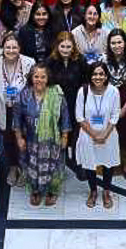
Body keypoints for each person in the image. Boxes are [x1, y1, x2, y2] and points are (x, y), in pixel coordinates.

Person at [14, 64, 70, 206]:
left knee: (53, 166)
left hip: (52, 141)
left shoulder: (56, 93)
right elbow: (17, 118)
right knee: (32, 167)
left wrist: (65, 137)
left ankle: (52, 191)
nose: (39, 80)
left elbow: (65, 117)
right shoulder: (24, 94)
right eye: (36, 76)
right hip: (31, 139)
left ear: (48, 78)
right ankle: (36, 191)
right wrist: (19, 138)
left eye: (43, 77)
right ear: (31, 78)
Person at [0, 32, 35, 185]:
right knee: (8, 141)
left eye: (14, 47)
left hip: (24, 111)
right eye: (8, 47)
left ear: (19, 48)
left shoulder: (29, 63)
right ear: (2, 48)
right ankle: (13, 167)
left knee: (24, 139)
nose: (11, 50)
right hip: (3, 109)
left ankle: (24, 168)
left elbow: (34, 87)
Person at [73, 63, 120, 209]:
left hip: (109, 134)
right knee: (90, 164)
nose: (98, 77)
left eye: (101, 74)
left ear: (106, 76)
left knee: (108, 164)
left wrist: (105, 134)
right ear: (90, 75)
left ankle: (106, 191)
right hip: (88, 135)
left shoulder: (113, 91)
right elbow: (79, 116)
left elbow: (115, 114)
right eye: (94, 74)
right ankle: (93, 191)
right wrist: (94, 134)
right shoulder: (83, 91)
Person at [102, 29, 126, 177]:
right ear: (108, 44)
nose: (117, 45)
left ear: (125, 43)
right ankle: (111, 162)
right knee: (110, 132)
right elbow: (100, 83)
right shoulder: (104, 60)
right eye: (113, 43)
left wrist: (125, 107)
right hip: (108, 98)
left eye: (119, 42)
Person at [47, 31, 87, 176]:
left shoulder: (80, 60)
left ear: (73, 47)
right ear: (57, 46)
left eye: (68, 47)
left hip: (76, 103)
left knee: (77, 135)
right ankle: (58, 164)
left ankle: (77, 162)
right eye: (62, 46)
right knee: (58, 135)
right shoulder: (50, 61)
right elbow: (46, 82)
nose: (65, 50)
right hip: (57, 105)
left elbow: (86, 80)